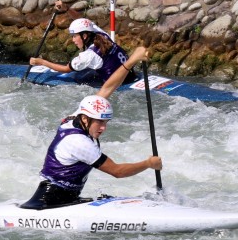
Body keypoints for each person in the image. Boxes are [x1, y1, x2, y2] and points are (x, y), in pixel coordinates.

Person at [21, 48, 163, 210]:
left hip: (64, 199)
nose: (103, 128)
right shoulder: (79, 142)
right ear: (85, 119)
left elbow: (108, 87)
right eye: (99, 123)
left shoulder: (77, 117)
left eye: (105, 122)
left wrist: (131, 61)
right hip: (49, 203)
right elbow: (117, 172)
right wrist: (148, 163)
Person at [29, 0, 133, 85]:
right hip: (130, 73)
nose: (73, 40)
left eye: (74, 36)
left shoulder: (88, 55)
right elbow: (82, 21)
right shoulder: (101, 34)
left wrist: (42, 62)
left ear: (84, 36)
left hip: (118, 85)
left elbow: (66, 69)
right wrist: (67, 8)